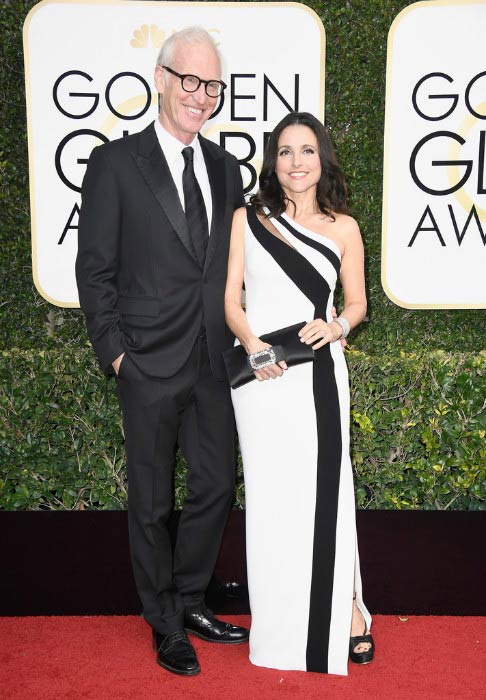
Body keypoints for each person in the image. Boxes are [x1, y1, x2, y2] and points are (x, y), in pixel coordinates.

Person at [76, 27, 249, 677]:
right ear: (160, 77)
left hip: (214, 360)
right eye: (189, 81)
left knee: (213, 487)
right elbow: (95, 270)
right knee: (150, 502)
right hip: (146, 362)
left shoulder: (230, 170)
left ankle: (192, 595)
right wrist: (115, 354)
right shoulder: (116, 164)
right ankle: (166, 622)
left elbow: (238, 267)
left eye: (211, 85)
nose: (200, 96)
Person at [224, 111, 374, 675]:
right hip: (261, 381)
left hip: (318, 379)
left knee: (328, 496)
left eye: (307, 150)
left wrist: (335, 327)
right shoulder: (248, 218)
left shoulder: (344, 228)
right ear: (273, 160)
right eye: (285, 151)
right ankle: (281, 627)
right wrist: (255, 347)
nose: (295, 162)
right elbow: (231, 301)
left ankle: (351, 612)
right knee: (271, 504)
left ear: (322, 158)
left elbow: (356, 304)